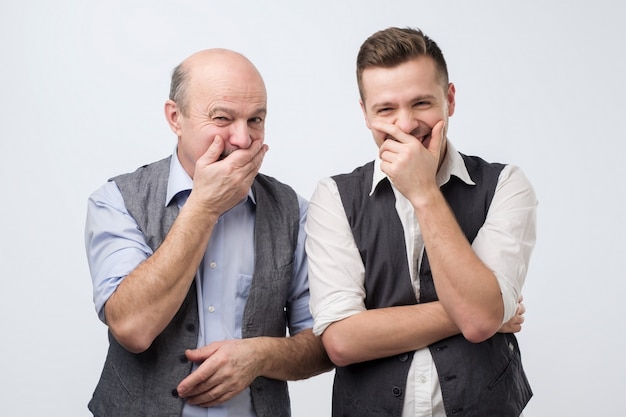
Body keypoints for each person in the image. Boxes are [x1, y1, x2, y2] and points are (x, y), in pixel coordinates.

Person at [84, 48, 331, 417]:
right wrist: (204, 206)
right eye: (222, 118)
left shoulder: (294, 212)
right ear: (175, 117)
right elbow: (132, 329)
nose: (243, 139)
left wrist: (262, 355)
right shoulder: (117, 201)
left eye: (256, 120)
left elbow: (323, 343)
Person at [305, 27, 537, 417]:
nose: (406, 124)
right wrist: (484, 310)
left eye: (421, 103)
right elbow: (342, 342)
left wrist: (425, 192)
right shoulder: (334, 196)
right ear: (365, 114)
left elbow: (479, 321)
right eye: (386, 110)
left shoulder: (506, 185)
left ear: (449, 99)